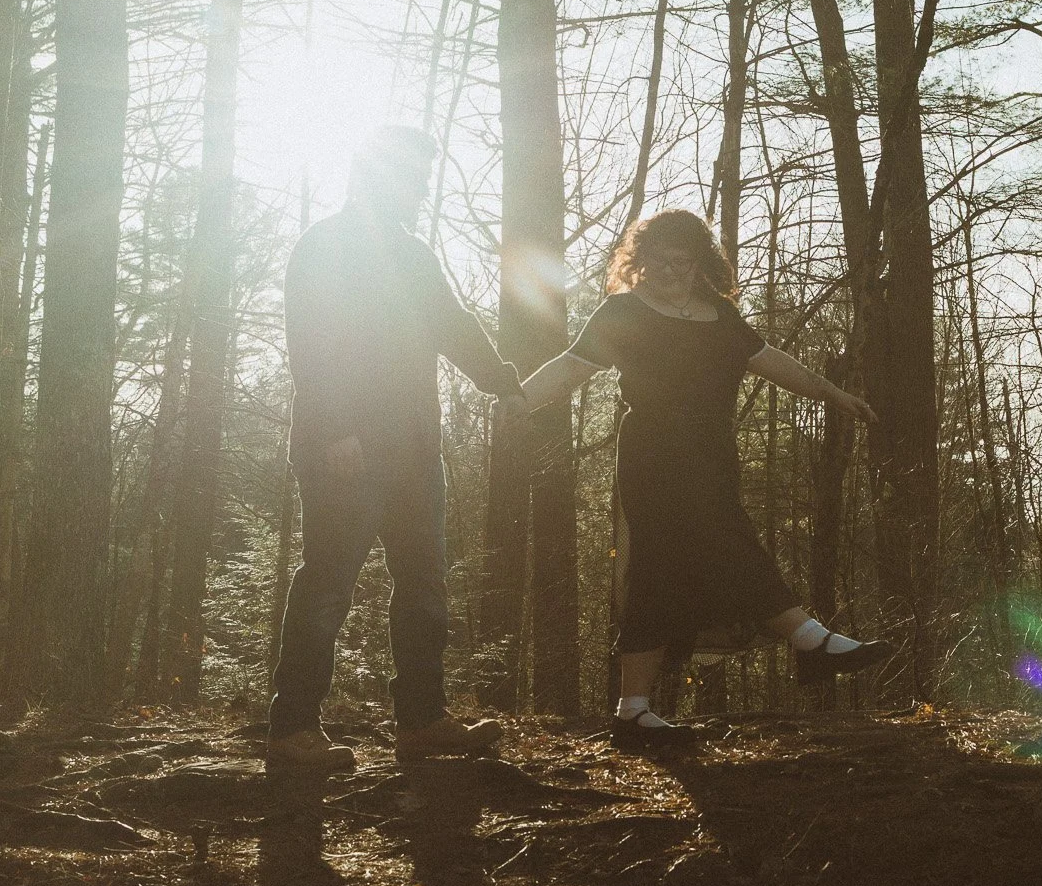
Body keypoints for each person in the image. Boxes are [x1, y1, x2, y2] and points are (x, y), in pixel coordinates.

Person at [515, 210, 891, 750]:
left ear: (698, 262)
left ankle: (632, 711)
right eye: (658, 260)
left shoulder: (719, 315)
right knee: (724, 538)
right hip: (653, 456)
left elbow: (769, 360)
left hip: (712, 454)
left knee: (656, 571)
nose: (670, 270)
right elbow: (572, 366)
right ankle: (810, 640)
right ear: (640, 260)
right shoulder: (622, 312)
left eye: (681, 260)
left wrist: (831, 394)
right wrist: (518, 400)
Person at [269, 124, 528, 770]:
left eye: (420, 177)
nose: (414, 188)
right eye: (404, 175)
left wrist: (502, 381)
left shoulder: (413, 254)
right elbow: (311, 342)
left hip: (414, 449)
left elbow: (451, 324)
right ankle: (292, 729)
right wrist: (335, 430)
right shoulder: (323, 246)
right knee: (328, 584)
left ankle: (421, 721)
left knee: (424, 587)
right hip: (345, 450)